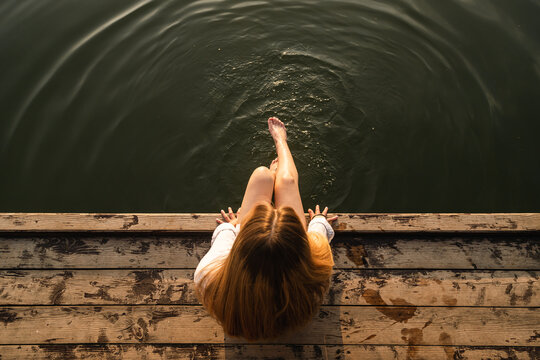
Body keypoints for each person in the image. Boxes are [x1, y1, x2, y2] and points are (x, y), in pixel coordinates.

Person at [194, 116, 338, 341]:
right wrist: (318, 219)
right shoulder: (317, 274)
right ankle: (281, 143)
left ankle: (271, 171)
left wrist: (232, 227)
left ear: (242, 245)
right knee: (288, 183)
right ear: (298, 246)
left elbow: (222, 237)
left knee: (261, 175)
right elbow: (319, 234)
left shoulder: (208, 277)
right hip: (288, 268)